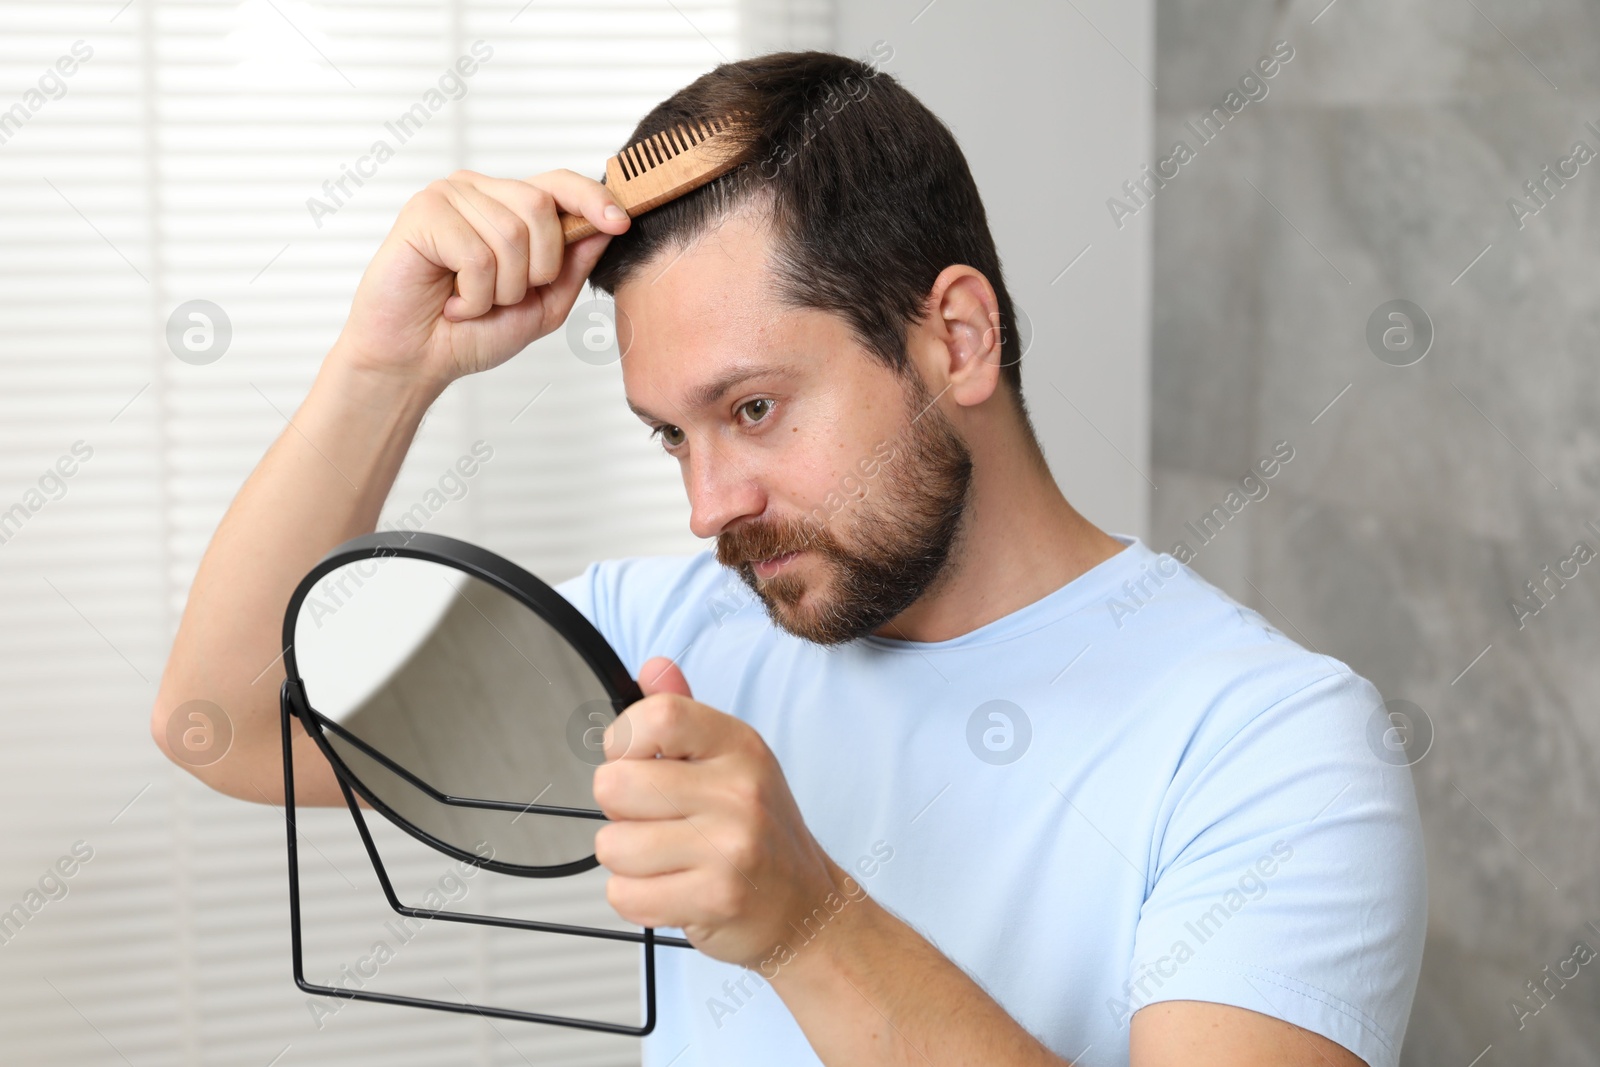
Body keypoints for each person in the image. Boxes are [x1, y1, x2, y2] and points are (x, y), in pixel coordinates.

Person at [151, 50, 1425, 1067]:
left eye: (753, 408)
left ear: (958, 338)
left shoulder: (1271, 743)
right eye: (674, 435)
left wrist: (810, 924)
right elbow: (219, 726)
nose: (710, 507)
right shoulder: (665, 648)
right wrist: (388, 367)